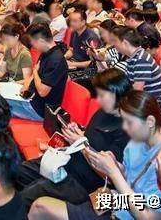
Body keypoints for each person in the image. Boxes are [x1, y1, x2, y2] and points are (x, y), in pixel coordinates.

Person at [29, 90, 161, 220]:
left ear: (150, 122)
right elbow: (128, 176)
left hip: (121, 212)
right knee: (38, 201)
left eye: (129, 122)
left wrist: (113, 172)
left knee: (40, 207)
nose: (124, 128)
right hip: (114, 202)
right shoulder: (135, 142)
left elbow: (150, 217)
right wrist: (115, 165)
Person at [16, 68, 131, 207]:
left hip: (83, 181)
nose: (98, 99)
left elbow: (108, 173)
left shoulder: (127, 130)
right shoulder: (104, 111)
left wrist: (81, 143)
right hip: (66, 161)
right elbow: (90, 138)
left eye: (102, 95)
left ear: (116, 95)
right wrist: (78, 133)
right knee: (18, 172)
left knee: (27, 197)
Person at [6, 24, 67, 122]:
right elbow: (33, 76)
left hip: (40, 110)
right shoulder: (46, 52)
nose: (33, 46)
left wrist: (35, 72)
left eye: (33, 42)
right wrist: (25, 86)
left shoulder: (56, 60)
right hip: (31, 99)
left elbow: (42, 92)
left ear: (41, 41)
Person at [112, 27, 161, 104]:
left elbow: (137, 90)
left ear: (125, 43)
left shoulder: (141, 59)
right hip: (143, 99)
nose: (114, 45)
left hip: (151, 104)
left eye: (115, 41)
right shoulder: (135, 56)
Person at [65, 10, 101, 84]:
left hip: (87, 69)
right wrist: (63, 57)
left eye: (75, 21)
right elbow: (72, 50)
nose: (71, 23)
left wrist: (72, 64)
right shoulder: (74, 32)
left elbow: (95, 63)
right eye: (71, 21)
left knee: (63, 77)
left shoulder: (91, 38)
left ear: (83, 22)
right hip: (75, 63)